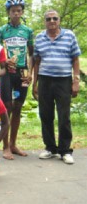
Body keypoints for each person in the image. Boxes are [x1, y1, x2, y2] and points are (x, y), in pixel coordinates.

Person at [32, 10, 81, 165]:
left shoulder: (69, 36)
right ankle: (50, 148)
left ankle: (65, 150)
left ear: (59, 20)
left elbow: (75, 59)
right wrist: (35, 83)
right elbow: (37, 62)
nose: (52, 21)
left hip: (63, 81)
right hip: (45, 80)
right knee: (45, 115)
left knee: (64, 116)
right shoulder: (39, 38)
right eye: (48, 19)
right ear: (44, 21)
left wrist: (76, 81)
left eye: (55, 18)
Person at [0, 0, 34, 160]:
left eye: (19, 10)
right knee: (7, 108)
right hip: (7, 74)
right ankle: (5, 147)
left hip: (22, 73)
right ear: (8, 13)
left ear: (22, 12)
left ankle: (13, 144)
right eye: (13, 11)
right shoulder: (1, 31)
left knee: (18, 107)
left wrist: (30, 72)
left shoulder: (28, 31)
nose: (16, 13)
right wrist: (5, 62)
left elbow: (32, 54)